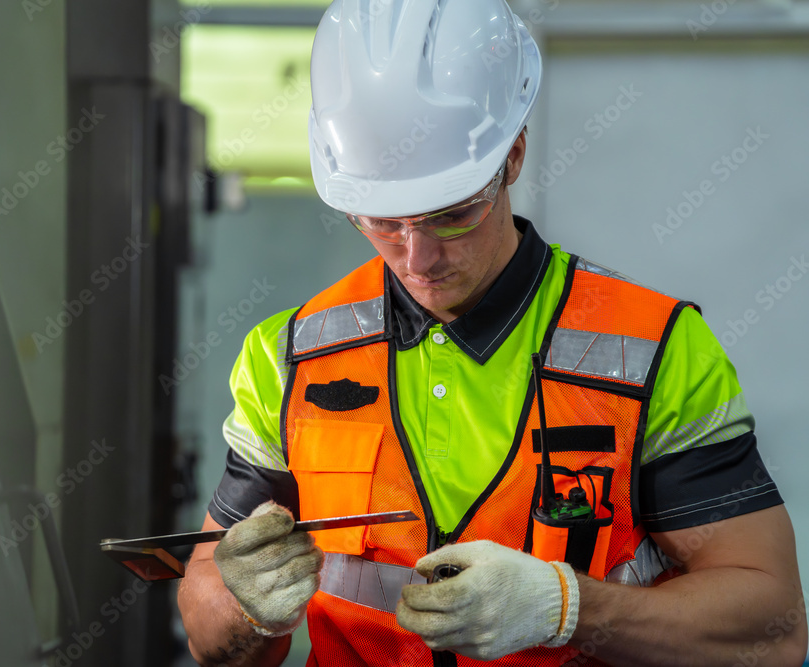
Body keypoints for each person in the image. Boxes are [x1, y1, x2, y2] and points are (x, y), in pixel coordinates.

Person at [177, 1, 807, 665]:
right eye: (381, 221)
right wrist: (246, 607)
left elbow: (774, 631)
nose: (416, 258)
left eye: (451, 215)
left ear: (513, 157)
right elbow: (210, 628)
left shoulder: (655, 351)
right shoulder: (290, 360)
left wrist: (568, 608)